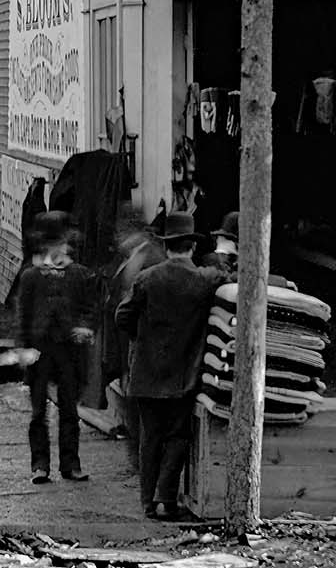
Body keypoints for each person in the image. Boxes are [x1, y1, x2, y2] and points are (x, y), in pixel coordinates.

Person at [116, 211, 228, 521]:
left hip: (146, 374)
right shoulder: (204, 280)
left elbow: (122, 317)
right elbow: (228, 278)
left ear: (167, 247)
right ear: (191, 247)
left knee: (150, 438)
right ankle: (167, 499)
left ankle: (147, 502)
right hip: (183, 375)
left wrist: (145, 339)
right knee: (177, 437)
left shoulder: (147, 278)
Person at [16, 210, 96, 484]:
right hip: (39, 351)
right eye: (50, 244)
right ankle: (39, 465)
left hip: (69, 352)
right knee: (38, 413)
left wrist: (84, 326)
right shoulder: (30, 277)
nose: (55, 249)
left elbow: (89, 308)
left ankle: (70, 464)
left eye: (59, 243)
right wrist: (22, 350)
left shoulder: (80, 275)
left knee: (69, 411)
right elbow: (22, 317)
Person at [104, 211, 167, 471]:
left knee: (141, 408)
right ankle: (138, 458)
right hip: (128, 346)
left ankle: (144, 461)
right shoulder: (134, 257)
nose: (119, 240)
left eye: (122, 233)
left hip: (140, 344)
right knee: (133, 404)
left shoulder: (150, 257)